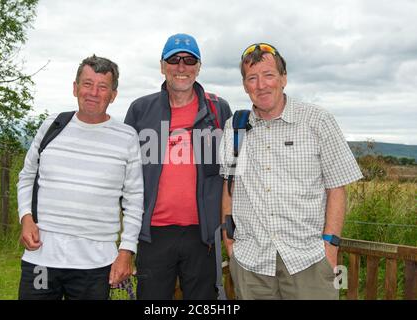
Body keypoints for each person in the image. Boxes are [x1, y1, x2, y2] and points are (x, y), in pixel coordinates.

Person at [220, 43, 363, 300]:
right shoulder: (235, 127)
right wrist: (229, 242)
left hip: (308, 261)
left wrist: (330, 248)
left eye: (269, 75)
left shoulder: (318, 121)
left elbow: (337, 188)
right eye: (252, 78)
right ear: (245, 86)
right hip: (251, 263)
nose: (261, 85)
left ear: (283, 79)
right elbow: (230, 187)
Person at [17, 55, 144, 300]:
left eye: (102, 87)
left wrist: (126, 250)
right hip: (41, 257)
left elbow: (134, 199)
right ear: (75, 88)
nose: (93, 92)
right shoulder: (52, 126)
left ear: (113, 95)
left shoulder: (127, 137)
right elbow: (27, 176)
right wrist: (26, 218)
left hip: (95, 263)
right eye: (87, 84)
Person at [124, 33, 232, 300]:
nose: (181, 67)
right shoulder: (141, 110)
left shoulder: (218, 110)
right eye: (174, 60)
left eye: (189, 60)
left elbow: (232, 173)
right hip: (153, 233)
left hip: (203, 236)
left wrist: (227, 226)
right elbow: (124, 173)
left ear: (199, 66)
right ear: (162, 65)